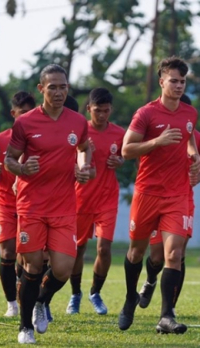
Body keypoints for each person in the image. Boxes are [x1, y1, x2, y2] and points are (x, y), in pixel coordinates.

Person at [4, 64, 92, 344]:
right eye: (52, 87)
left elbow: (84, 147)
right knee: (31, 267)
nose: (58, 92)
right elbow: (8, 159)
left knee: (64, 268)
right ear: (41, 89)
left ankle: (42, 302)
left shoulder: (77, 121)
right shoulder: (25, 122)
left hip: (64, 206)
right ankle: (25, 327)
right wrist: (22, 169)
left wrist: (83, 166)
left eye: (63, 86)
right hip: (31, 205)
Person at [118, 57, 200, 334]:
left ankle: (166, 316)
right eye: (174, 80)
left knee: (174, 254)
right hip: (147, 193)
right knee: (136, 252)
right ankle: (131, 297)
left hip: (177, 195)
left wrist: (195, 156)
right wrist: (157, 141)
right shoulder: (146, 114)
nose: (178, 85)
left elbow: (189, 140)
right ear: (162, 80)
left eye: (182, 81)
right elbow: (126, 150)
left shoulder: (190, 113)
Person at [137, 94, 200, 315]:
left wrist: (198, 174)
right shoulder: (157, 130)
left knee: (178, 253)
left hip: (183, 199)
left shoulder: (197, 138)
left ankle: (170, 309)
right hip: (157, 198)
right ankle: (150, 280)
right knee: (157, 255)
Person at [66, 88, 125, 315]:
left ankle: (95, 292)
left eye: (106, 111)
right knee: (78, 249)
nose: (102, 115)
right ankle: (75, 294)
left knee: (104, 247)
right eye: (97, 110)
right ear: (89, 108)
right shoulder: (78, 132)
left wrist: (119, 160)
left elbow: (124, 155)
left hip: (107, 197)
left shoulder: (119, 133)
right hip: (80, 197)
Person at [0, 91, 35, 317]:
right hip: (5, 204)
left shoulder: (39, 139)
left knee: (28, 256)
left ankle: (29, 301)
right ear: (13, 114)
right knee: (8, 252)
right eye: (22, 113)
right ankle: (11, 303)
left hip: (32, 205)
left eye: (30, 113)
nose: (26, 117)